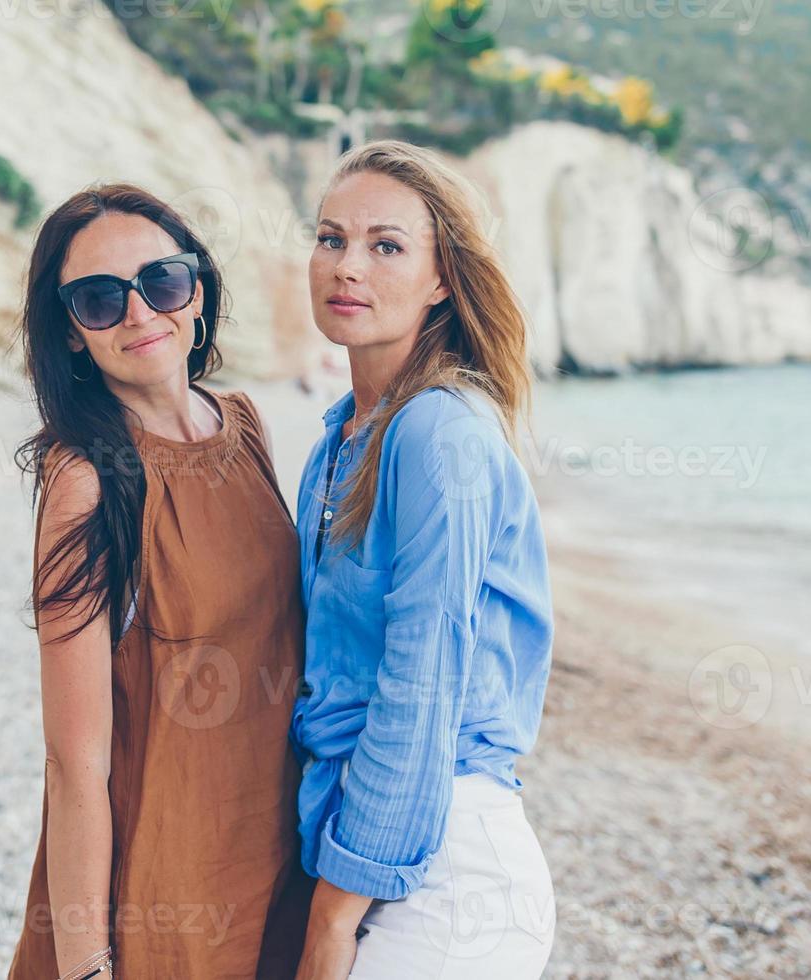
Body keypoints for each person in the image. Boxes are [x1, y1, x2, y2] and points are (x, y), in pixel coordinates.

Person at [6, 183, 311, 979]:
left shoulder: (245, 425)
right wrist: (84, 966)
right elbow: (75, 761)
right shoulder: (86, 482)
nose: (140, 314)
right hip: (162, 886)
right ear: (71, 332)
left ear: (197, 290)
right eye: (100, 300)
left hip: (279, 856)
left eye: (162, 282)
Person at [290, 141, 557, 979]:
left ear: (443, 278)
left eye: (387, 245)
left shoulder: (440, 433)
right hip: (368, 842)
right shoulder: (339, 438)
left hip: (446, 874)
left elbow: (419, 690)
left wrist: (333, 917)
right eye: (331, 238)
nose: (348, 267)